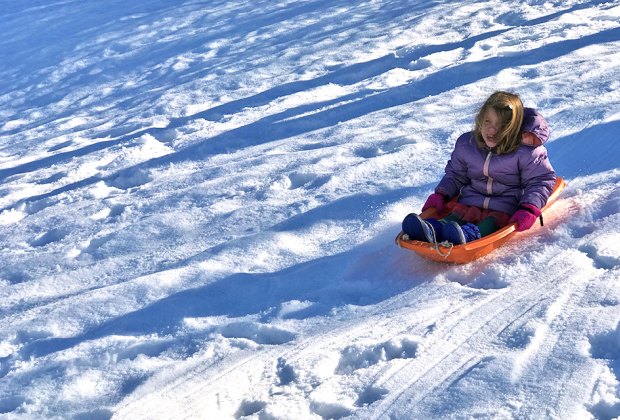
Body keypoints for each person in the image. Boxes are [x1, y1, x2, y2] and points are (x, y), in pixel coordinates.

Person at [402, 91, 555, 245]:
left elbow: (540, 181)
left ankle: (468, 236)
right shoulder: (466, 145)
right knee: (453, 218)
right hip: (469, 202)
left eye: (501, 125)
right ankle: (431, 229)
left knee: (489, 223)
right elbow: (455, 175)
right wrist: (441, 194)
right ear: (480, 120)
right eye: (487, 121)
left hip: (504, 207)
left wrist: (529, 208)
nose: (492, 130)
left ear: (513, 128)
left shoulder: (526, 152)